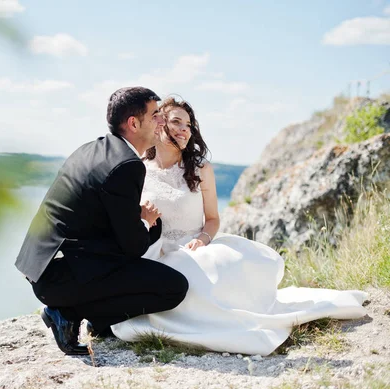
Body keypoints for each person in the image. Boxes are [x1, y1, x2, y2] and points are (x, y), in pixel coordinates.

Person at [111, 96, 368, 356]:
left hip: (194, 249)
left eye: (189, 125)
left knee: (199, 283)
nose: (184, 129)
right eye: (176, 121)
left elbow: (213, 219)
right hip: (154, 252)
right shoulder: (139, 167)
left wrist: (202, 240)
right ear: (158, 123)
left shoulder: (200, 168)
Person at [15, 87, 189, 355]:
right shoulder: (127, 165)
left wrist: (137, 216)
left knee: (151, 250)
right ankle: (67, 313)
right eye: (155, 115)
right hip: (61, 278)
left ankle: (99, 319)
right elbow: (134, 247)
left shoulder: (93, 148)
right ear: (133, 123)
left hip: (44, 267)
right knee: (174, 288)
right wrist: (147, 220)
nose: (162, 122)